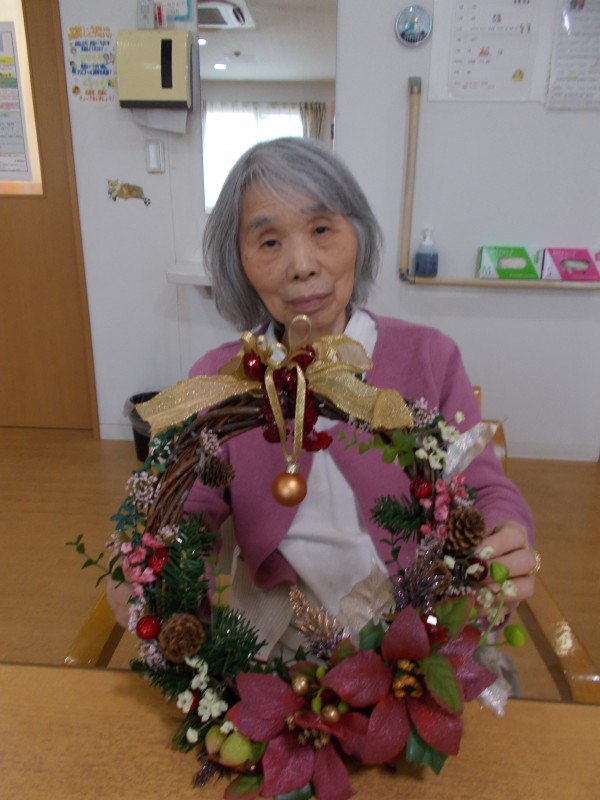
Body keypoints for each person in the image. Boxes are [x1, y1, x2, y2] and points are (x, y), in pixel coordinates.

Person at [178, 137, 537, 658]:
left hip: (415, 629)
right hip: (276, 640)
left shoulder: (429, 357)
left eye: (322, 229)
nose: (302, 265)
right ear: (239, 262)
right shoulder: (221, 378)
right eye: (269, 242)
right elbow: (190, 507)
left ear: (358, 235)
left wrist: (505, 532)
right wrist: (156, 566)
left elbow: (481, 485)